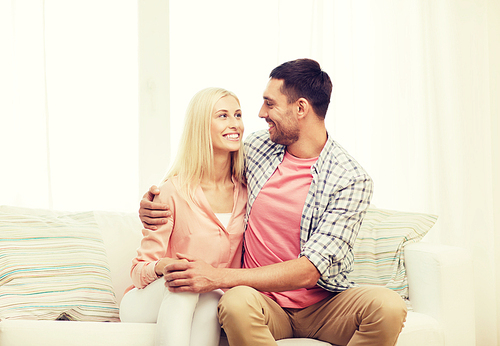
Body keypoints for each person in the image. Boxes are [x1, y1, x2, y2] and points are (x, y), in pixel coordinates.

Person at [139, 59, 407, 346]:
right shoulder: (257, 149)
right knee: (236, 302)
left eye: (270, 104)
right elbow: (203, 166)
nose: (260, 113)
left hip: (323, 306)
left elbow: (309, 270)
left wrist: (216, 276)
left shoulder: (350, 179)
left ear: (300, 108)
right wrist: (152, 201)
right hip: (262, 304)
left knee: (388, 306)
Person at [120, 87, 247, 346]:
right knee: (185, 286)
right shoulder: (171, 191)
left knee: (211, 298)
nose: (234, 124)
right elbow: (137, 270)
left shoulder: (248, 193)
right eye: (222, 116)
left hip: (210, 294)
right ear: (201, 126)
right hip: (147, 300)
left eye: (238, 115)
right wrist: (163, 266)